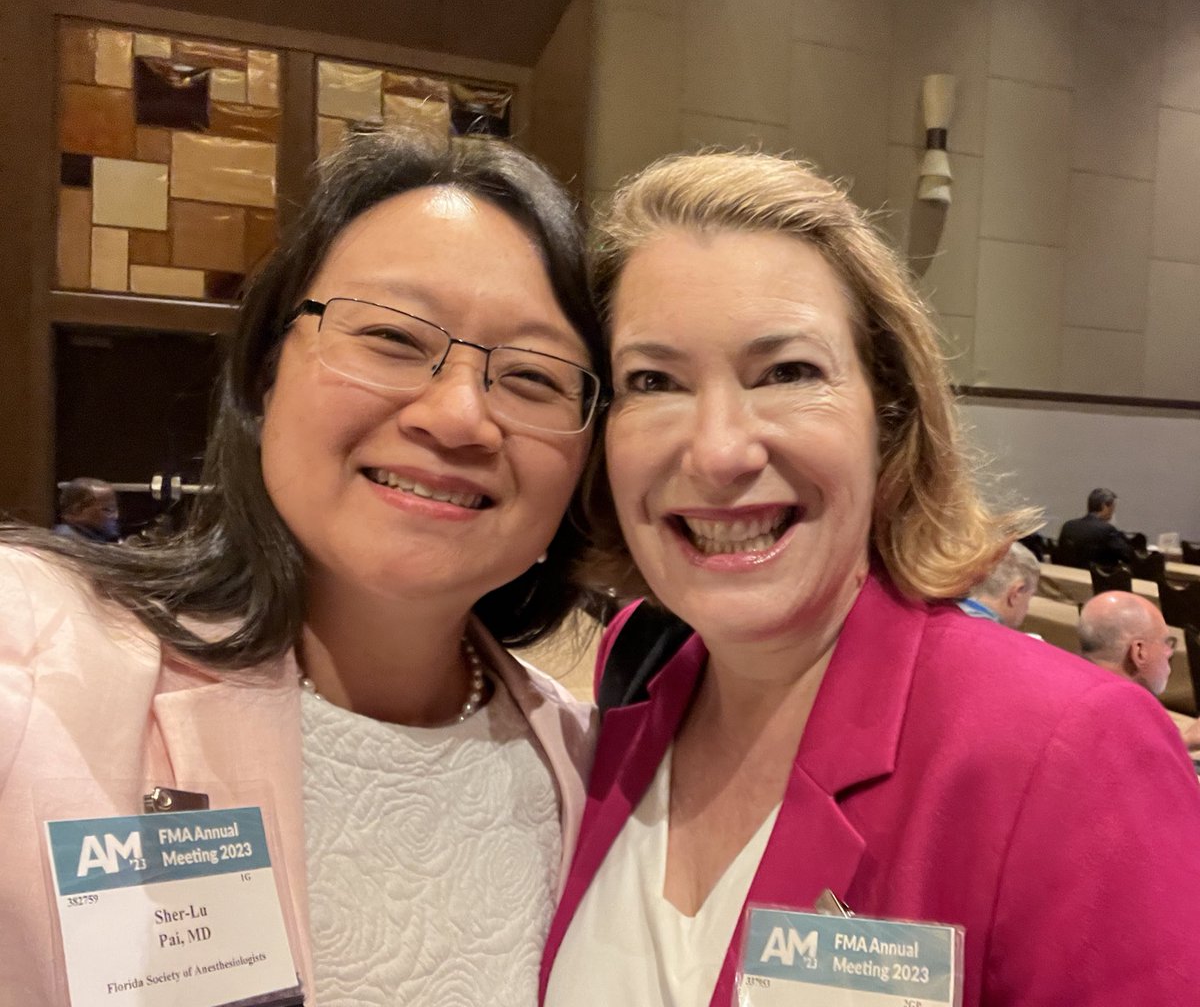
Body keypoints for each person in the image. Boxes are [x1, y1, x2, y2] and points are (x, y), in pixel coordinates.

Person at [541, 151, 1200, 1007]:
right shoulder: (634, 675)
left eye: (787, 372)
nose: (717, 451)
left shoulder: (1068, 751)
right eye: (653, 381)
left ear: (888, 418)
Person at [1, 129, 606, 1004]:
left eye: (535, 377)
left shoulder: (593, 772)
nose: (459, 416)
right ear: (264, 375)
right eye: (394, 338)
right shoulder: (40, 661)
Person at [1078, 591, 1200, 751]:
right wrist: (1188, 740)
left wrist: (1183, 741)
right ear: (1139, 652)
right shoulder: (1128, 707)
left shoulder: (1071, 685)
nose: (1169, 652)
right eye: (1166, 642)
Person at [958, 540, 1041, 629]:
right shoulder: (1004, 641)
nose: (1027, 609)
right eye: (1029, 597)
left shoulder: (943, 612)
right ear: (1017, 593)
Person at [1056, 487, 1134, 569]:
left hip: (1071, 576)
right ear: (1104, 506)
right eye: (1113, 506)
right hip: (1097, 580)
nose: (1114, 511)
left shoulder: (1068, 526)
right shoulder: (1106, 530)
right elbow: (1128, 556)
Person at [51, 476, 120, 542]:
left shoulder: (95, 538)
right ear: (76, 511)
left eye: (115, 510)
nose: (116, 516)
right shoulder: (66, 543)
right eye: (108, 510)